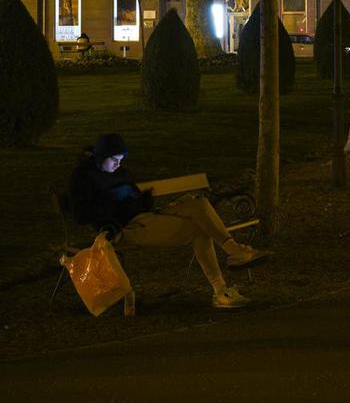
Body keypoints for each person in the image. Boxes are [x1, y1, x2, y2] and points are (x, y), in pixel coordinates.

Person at [69, 133, 271, 310]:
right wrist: (115, 201)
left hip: (146, 216)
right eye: (114, 159)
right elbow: (81, 213)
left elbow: (135, 198)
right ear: (102, 156)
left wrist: (142, 198)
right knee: (200, 229)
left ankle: (234, 252)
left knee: (199, 204)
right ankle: (220, 290)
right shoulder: (83, 177)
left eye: (121, 159)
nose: (118, 164)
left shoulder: (120, 172)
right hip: (127, 227)